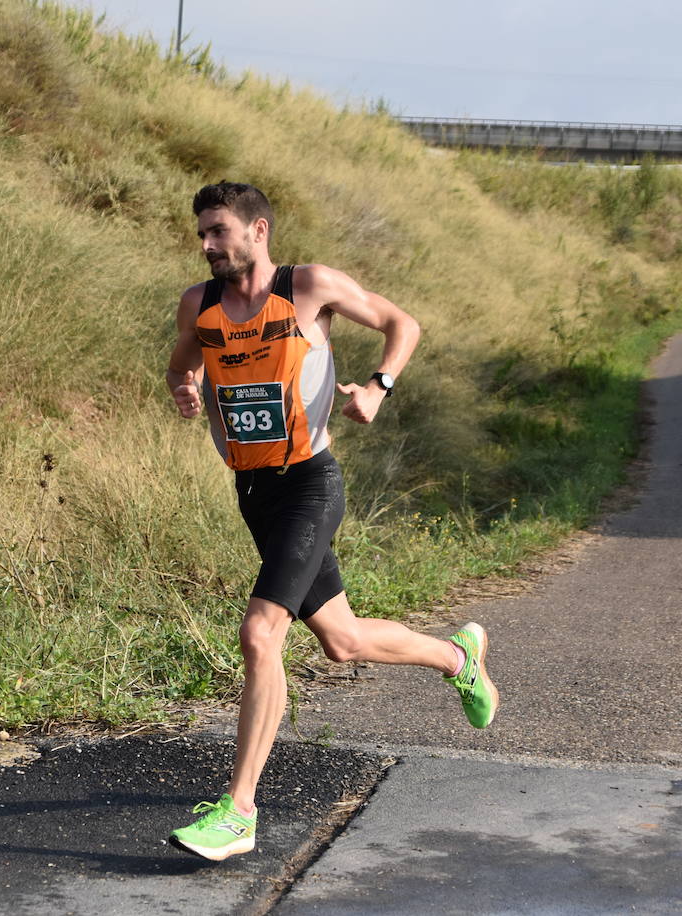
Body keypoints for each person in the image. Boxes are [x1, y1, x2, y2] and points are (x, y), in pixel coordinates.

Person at [164, 182, 499, 862]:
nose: (206, 245)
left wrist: (378, 386)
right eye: (201, 233)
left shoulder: (309, 286)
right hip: (254, 493)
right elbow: (185, 354)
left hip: (311, 485)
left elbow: (402, 324)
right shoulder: (199, 304)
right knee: (341, 641)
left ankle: (239, 812)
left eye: (218, 231)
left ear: (258, 230)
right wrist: (183, 384)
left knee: (261, 634)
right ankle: (458, 658)